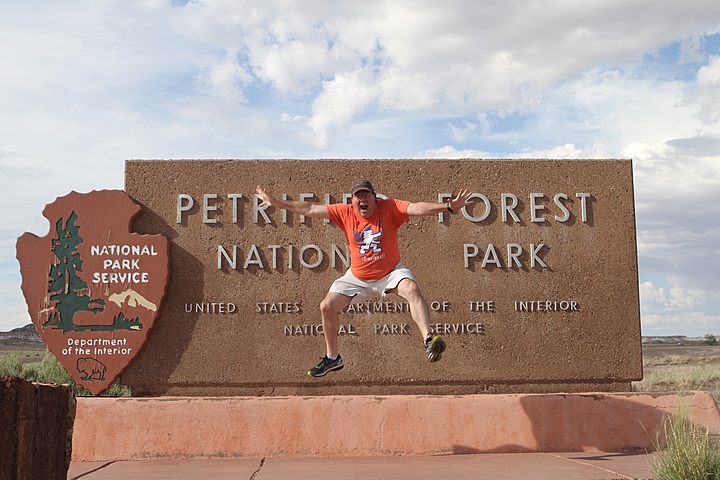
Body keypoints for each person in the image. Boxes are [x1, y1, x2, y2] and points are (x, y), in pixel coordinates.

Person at [255, 180, 475, 377]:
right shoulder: (345, 212)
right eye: (358, 196)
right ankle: (333, 359)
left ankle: (429, 340)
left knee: (411, 289)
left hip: (389, 272)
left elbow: (416, 208)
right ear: (353, 200)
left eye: (366, 195)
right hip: (357, 277)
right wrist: (276, 203)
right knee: (327, 307)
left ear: (374, 197)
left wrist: (448, 207)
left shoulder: (389, 208)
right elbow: (311, 208)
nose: (362, 199)